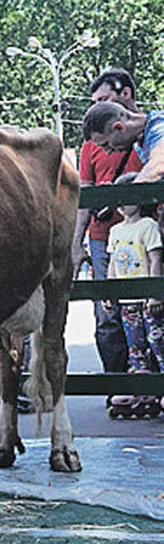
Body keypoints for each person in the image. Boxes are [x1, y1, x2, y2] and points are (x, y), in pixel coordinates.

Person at [73, 69, 143, 382]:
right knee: (108, 313)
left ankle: (151, 383)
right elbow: (84, 195)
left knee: (149, 308)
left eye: (102, 100)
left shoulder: (152, 134)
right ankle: (118, 383)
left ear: (124, 96)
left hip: (146, 233)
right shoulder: (91, 144)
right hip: (103, 238)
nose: (95, 106)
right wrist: (76, 244)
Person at [103, 172, 164, 418]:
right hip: (127, 300)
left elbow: (156, 258)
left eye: (127, 197)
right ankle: (142, 387)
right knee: (135, 344)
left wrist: (154, 293)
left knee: (158, 340)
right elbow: (112, 264)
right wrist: (109, 292)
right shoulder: (116, 230)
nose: (122, 203)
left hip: (146, 298)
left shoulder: (147, 226)